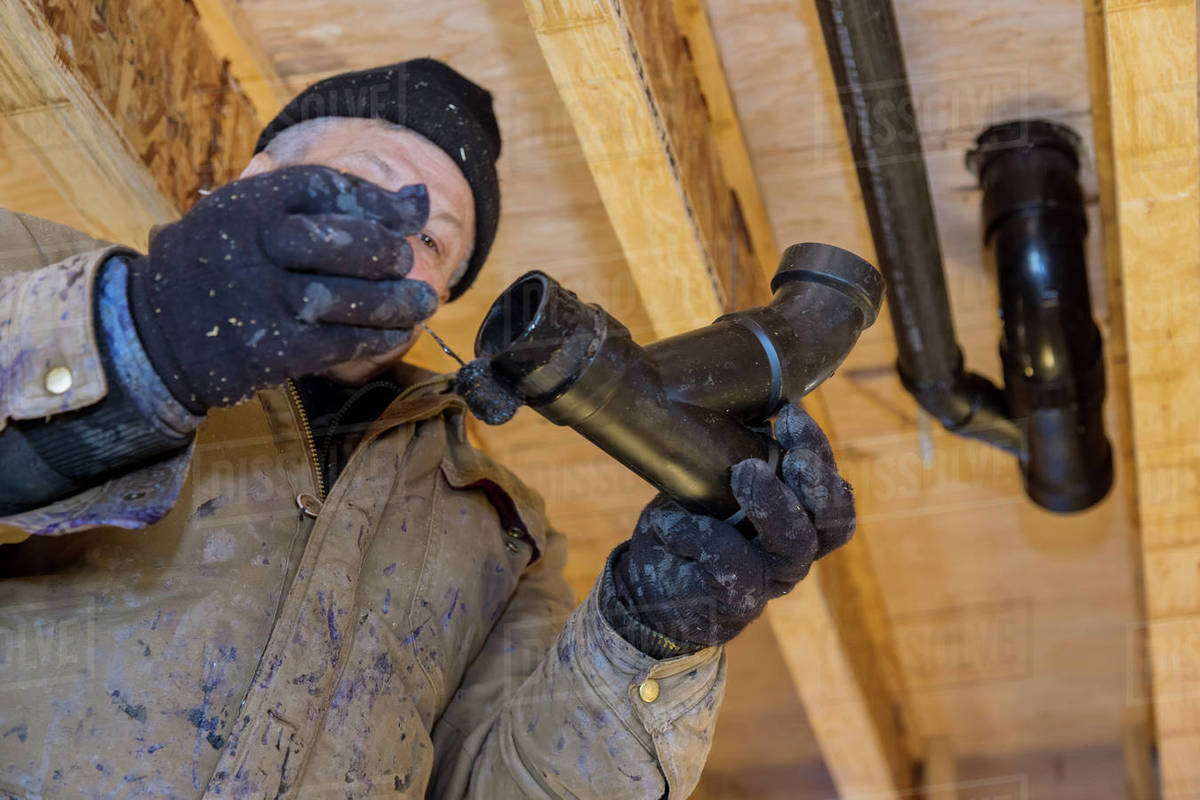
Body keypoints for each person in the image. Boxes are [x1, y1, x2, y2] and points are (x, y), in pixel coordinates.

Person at [0, 59, 855, 798]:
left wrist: (648, 640)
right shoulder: (42, 272)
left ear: (439, 304)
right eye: (375, 184)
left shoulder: (501, 533)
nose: (403, 239)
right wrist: (152, 330)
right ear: (252, 178)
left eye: (437, 243)